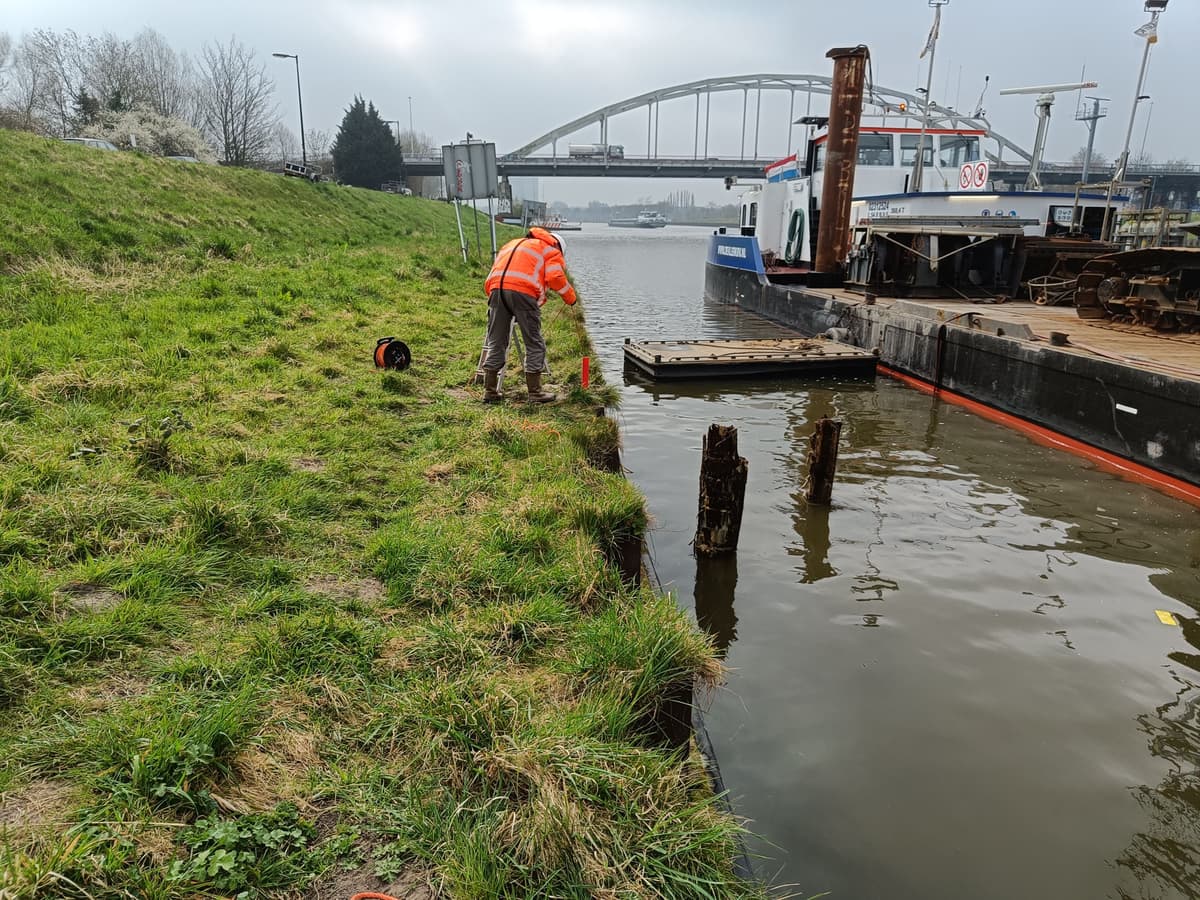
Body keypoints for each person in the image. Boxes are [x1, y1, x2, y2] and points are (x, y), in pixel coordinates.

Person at [481, 226, 576, 404]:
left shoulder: (512, 244)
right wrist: (571, 298)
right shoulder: (550, 250)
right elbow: (555, 277)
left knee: (496, 341)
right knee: (534, 343)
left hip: (495, 290)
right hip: (523, 293)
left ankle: (490, 391)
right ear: (559, 247)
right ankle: (535, 392)